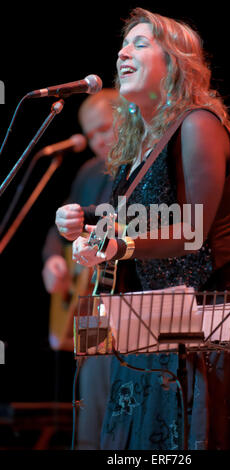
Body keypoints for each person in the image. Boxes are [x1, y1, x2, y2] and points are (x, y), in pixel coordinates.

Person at [55, 8, 230, 450]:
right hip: (153, 331)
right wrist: (84, 221)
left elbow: (192, 231)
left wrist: (117, 244)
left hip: (209, 330)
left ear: (174, 62)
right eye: (123, 43)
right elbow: (135, 219)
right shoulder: (140, 148)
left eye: (140, 43)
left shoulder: (198, 125)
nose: (122, 51)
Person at [42, 88, 118, 449]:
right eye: (90, 135)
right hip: (90, 312)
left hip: (125, 305)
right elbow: (58, 232)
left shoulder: (141, 168)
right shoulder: (89, 171)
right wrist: (53, 259)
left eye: (104, 129)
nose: (97, 141)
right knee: (90, 417)